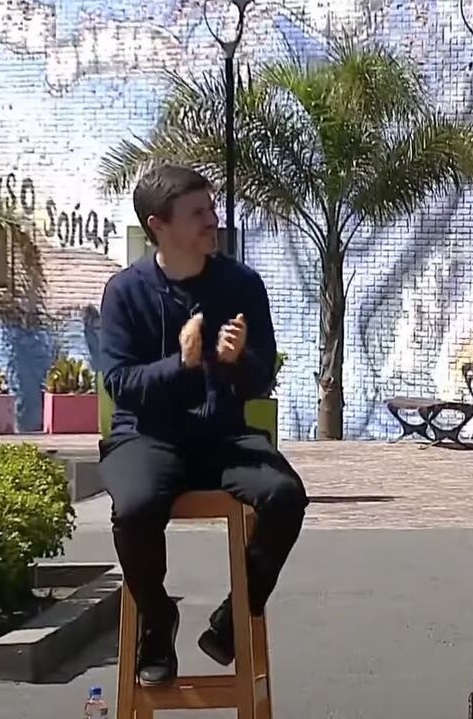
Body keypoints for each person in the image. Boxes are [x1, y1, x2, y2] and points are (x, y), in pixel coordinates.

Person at [98, 165, 308, 686]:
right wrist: (183, 364)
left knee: (285, 496)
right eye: (198, 213)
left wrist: (235, 362)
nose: (213, 220)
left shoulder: (241, 284)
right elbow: (121, 384)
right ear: (159, 225)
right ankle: (156, 622)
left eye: (211, 209)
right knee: (135, 507)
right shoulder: (124, 291)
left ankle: (234, 618)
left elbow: (260, 379)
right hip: (146, 435)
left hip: (222, 435)